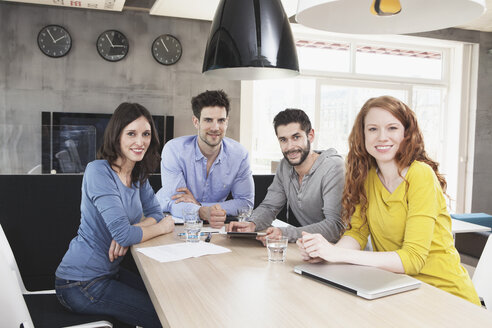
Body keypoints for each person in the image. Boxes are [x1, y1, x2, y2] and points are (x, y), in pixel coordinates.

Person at [297, 96, 480, 305]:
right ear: (363, 135)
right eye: (373, 129)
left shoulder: (420, 175)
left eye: (392, 128)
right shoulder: (366, 178)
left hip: (447, 296)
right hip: (399, 290)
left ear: (406, 133)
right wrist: (326, 254)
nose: (382, 137)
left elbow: (413, 259)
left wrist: (336, 253)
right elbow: (357, 233)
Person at [55, 103, 175, 327]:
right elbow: (132, 231)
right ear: (116, 136)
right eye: (131, 134)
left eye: (146, 134)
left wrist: (132, 232)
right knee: (162, 316)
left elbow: (155, 213)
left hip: (109, 274)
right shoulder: (98, 171)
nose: (140, 142)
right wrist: (160, 228)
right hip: (79, 283)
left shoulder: (138, 175)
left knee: (168, 298)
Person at [228, 109, 345, 243]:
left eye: (296, 137)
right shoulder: (285, 166)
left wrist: (284, 234)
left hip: (342, 252)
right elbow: (270, 207)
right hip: (309, 248)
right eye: (283, 140)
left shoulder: (333, 167)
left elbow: (335, 227)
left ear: (310, 135)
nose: (290, 147)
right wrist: (252, 224)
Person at [155, 90, 254, 228]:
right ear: (196, 122)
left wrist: (201, 206)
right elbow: (175, 202)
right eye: (208, 120)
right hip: (174, 222)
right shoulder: (174, 150)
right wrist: (203, 212)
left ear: (227, 122)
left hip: (214, 224)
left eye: (221, 120)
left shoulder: (240, 154)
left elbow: (245, 204)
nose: (215, 127)